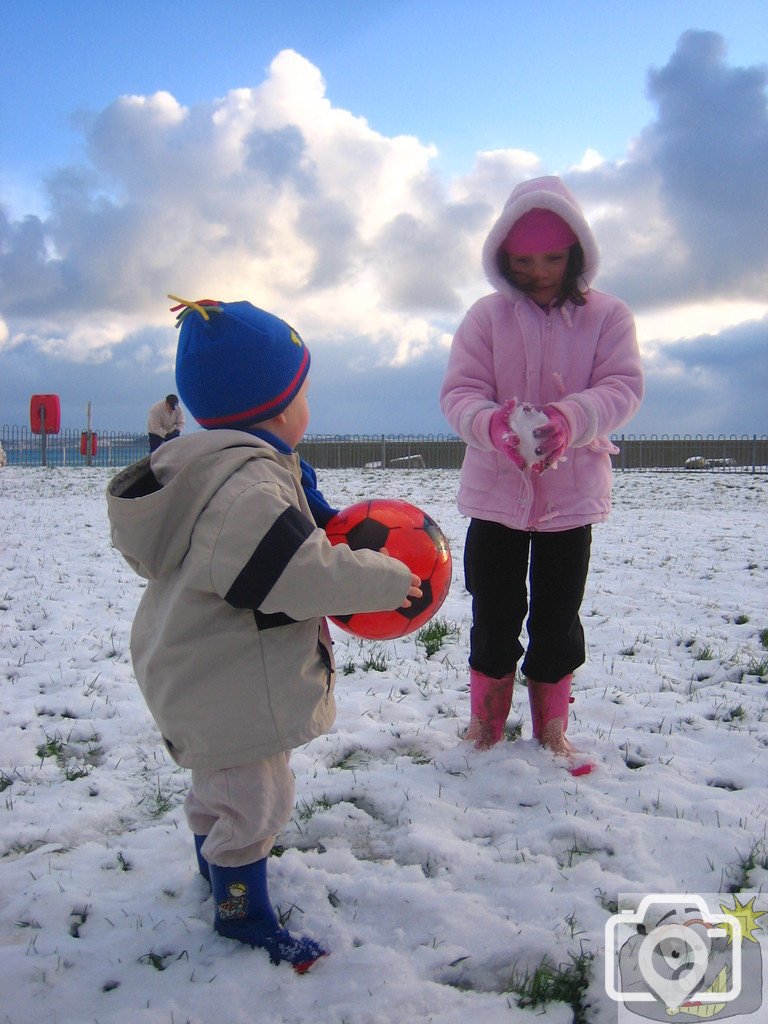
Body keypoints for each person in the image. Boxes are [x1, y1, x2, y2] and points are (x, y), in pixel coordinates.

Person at [107, 296, 421, 971]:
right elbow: (294, 575)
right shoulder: (247, 485)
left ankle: (214, 870)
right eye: (301, 389)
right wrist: (383, 580)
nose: (308, 403)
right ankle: (241, 913)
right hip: (227, 685)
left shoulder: (227, 467)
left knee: (218, 792)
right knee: (257, 801)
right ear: (277, 406)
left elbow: (299, 523)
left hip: (199, 671)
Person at [440, 176, 643, 766]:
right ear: (503, 256)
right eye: (524, 260)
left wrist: (570, 417)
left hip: (570, 500)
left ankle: (551, 729)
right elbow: (461, 394)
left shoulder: (609, 317)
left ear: (577, 251)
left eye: (553, 256)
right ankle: (485, 725)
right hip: (494, 497)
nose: (540, 270)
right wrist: (493, 426)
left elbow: (623, 387)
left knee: (558, 617)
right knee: (494, 612)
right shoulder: (486, 318)